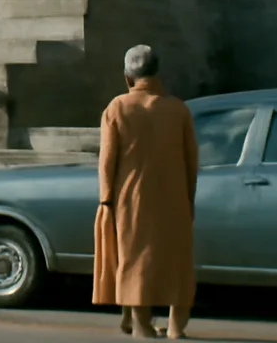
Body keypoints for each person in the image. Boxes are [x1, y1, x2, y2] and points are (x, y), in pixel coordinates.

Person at [92, 45, 198, 340]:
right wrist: (189, 199)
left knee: (135, 260)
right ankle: (177, 326)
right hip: (175, 198)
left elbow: (107, 161)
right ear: (156, 72)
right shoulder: (178, 109)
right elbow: (192, 161)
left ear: (128, 77)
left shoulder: (117, 108)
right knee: (176, 260)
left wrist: (106, 199)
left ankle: (141, 325)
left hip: (131, 200)